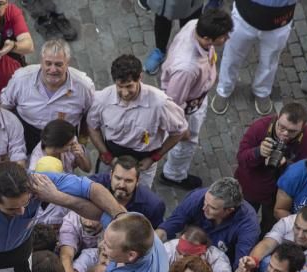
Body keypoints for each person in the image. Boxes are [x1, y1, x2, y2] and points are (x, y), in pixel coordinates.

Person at [158, 8, 234, 191]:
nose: (227, 39)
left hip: (197, 97)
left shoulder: (194, 25)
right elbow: (174, 102)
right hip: (188, 109)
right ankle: (174, 175)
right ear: (207, 39)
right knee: (187, 142)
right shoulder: (187, 68)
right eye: (223, 37)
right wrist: (181, 127)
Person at [87, 53, 187, 189]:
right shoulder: (102, 99)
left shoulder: (160, 103)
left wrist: (154, 158)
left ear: (140, 77)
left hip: (144, 160)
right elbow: (92, 126)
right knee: (101, 189)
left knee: (140, 195)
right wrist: (105, 154)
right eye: (120, 86)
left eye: (129, 86)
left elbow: (179, 131)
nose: (124, 93)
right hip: (112, 155)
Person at [0, 39, 95, 152]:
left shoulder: (84, 86)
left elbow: (89, 115)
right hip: (26, 131)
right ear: (41, 61)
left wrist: (83, 139)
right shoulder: (21, 79)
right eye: (48, 63)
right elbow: (5, 107)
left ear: (68, 63)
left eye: (58, 64)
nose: (53, 69)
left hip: (62, 138)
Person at [235, 102, 307, 232]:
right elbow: (241, 158)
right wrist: (257, 152)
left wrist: (287, 166)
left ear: (302, 128)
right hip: (251, 189)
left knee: (270, 226)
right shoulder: (260, 127)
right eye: (281, 127)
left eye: (292, 131)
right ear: (277, 117)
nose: (284, 134)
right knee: (242, 221)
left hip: (278, 196)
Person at [208, 0, 298, 115]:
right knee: (232, 56)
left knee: (269, 62)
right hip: (245, 15)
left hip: (280, 21)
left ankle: (262, 91)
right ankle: (224, 88)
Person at [158, 177, 259, 267]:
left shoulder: (248, 226)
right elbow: (167, 227)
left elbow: (241, 266)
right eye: (205, 202)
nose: (204, 208)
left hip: (218, 265)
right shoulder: (197, 197)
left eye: (213, 208)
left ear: (229, 210)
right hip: (188, 252)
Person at [88, 158, 166, 229]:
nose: (121, 185)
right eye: (118, 178)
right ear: (111, 175)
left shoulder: (153, 206)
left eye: (128, 181)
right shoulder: (94, 183)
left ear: (137, 181)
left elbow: (154, 236)